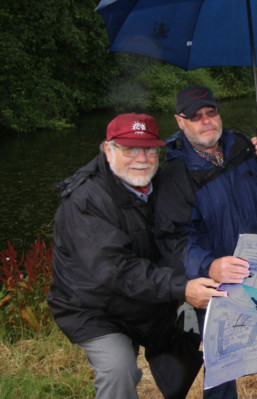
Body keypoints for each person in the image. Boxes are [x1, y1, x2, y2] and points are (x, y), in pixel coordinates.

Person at [47, 113, 227, 399]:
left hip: (143, 302)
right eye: (129, 149)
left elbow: (181, 233)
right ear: (108, 150)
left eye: (149, 149)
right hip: (94, 307)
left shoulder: (160, 185)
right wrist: (181, 287)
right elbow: (114, 270)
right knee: (119, 370)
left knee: (181, 364)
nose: (141, 158)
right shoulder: (85, 200)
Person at [152, 86, 257, 399]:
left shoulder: (242, 144)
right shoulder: (174, 173)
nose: (206, 121)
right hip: (217, 280)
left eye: (211, 112)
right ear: (180, 121)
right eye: (195, 116)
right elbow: (174, 238)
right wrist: (209, 265)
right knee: (222, 361)